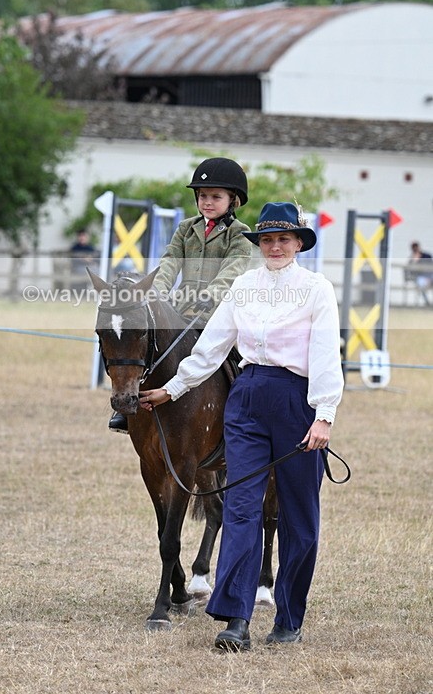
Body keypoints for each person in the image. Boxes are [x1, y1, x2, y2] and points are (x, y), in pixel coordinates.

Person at [139, 201, 344, 651]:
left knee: (298, 516)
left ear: (298, 244)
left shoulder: (316, 289)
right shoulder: (245, 286)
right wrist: (172, 389)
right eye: (267, 239)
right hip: (247, 397)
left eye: (283, 239)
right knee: (240, 509)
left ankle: (289, 618)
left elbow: (328, 354)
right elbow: (211, 347)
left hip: (297, 400)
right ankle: (236, 618)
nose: (274, 246)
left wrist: (324, 414)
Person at [108, 157, 252, 433]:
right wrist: (157, 293)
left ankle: (241, 416)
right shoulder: (186, 228)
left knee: (236, 362)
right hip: (182, 310)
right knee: (148, 350)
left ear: (233, 200)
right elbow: (170, 261)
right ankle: (129, 411)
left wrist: (211, 294)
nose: (207, 202)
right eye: (202, 196)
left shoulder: (239, 234)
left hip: (220, 311)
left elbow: (233, 270)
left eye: (215, 197)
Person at [406, 241, 433, 306]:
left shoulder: (427, 255)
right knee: (420, 285)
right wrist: (414, 261)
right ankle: (427, 303)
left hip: (430, 276)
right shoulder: (412, 259)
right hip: (420, 277)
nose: (415, 250)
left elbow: (431, 266)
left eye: (416, 248)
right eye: (414, 248)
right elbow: (410, 271)